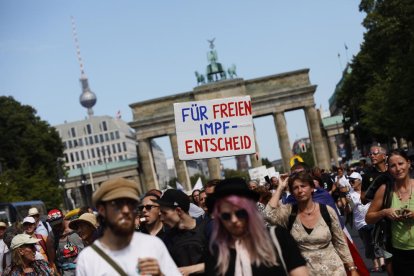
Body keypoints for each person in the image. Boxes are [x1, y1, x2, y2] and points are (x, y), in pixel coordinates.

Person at [76, 177, 180, 276]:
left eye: (131, 204)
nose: (126, 210)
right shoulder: (88, 259)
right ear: (102, 210)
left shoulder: (153, 245)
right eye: (118, 204)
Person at [205, 178, 308, 276]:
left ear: (250, 211)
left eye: (240, 213)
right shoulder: (214, 252)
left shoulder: (278, 237)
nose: (234, 220)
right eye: (226, 216)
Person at [265, 171, 358, 275]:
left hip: (335, 271)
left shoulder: (327, 211)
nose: (300, 190)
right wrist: (280, 187)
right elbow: (268, 214)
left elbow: (340, 242)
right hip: (306, 271)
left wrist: (352, 269)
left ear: (312, 188)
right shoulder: (289, 212)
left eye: (303, 186)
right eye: (295, 188)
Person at [366, 149, 414, 275]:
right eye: (393, 166)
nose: (398, 169)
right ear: (389, 168)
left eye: (401, 163)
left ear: (408, 163)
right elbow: (369, 218)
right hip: (399, 254)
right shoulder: (385, 190)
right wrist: (385, 212)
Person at [154, 189, 207, 275]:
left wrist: (189, 270)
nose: (161, 218)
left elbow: (223, 261)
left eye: (165, 213)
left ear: (178, 211)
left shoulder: (208, 229)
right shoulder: (167, 240)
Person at [347, 172, 384, 272]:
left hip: (372, 220)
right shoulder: (350, 194)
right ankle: (375, 264)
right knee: (368, 245)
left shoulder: (368, 191)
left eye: (353, 180)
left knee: (376, 242)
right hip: (360, 224)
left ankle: (382, 262)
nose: (351, 182)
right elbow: (350, 209)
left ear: (359, 181)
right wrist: (348, 202)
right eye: (350, 180)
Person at [47, 208, 83, 275]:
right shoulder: (51, 237)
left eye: (59, 224)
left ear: (63, 218)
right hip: (66, 272)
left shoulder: (74, 226)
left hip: (83, 266)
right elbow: (52, 261)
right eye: (54, 225)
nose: (57, 227)